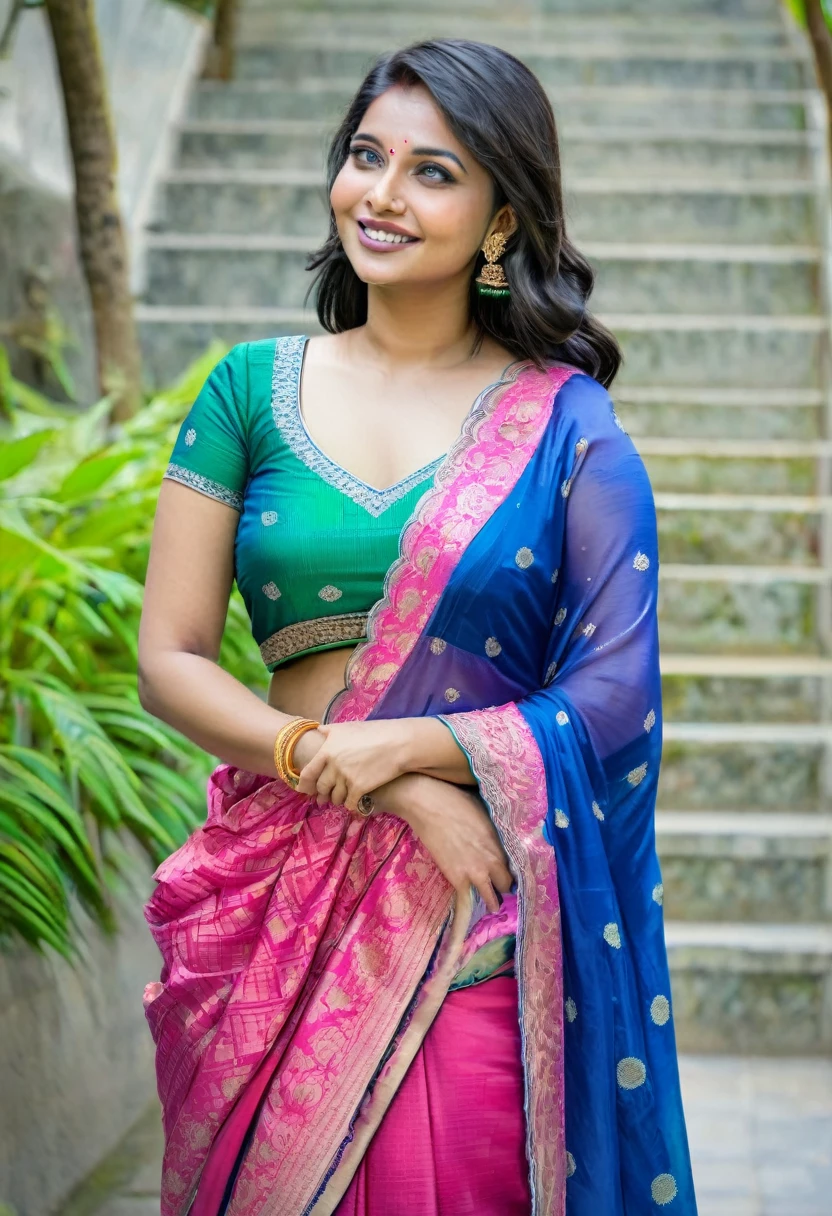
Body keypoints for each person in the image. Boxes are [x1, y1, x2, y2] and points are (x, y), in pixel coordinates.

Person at [137, 38, 697, 1216]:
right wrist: (358, 774)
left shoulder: (567, 429)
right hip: (274, 887)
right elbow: (171, 657)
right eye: (364, 156)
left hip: (463, 912)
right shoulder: (249, 388)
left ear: (502, 218)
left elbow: (612, 696)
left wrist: (406, 750)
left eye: (432, 172)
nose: (381, 196)